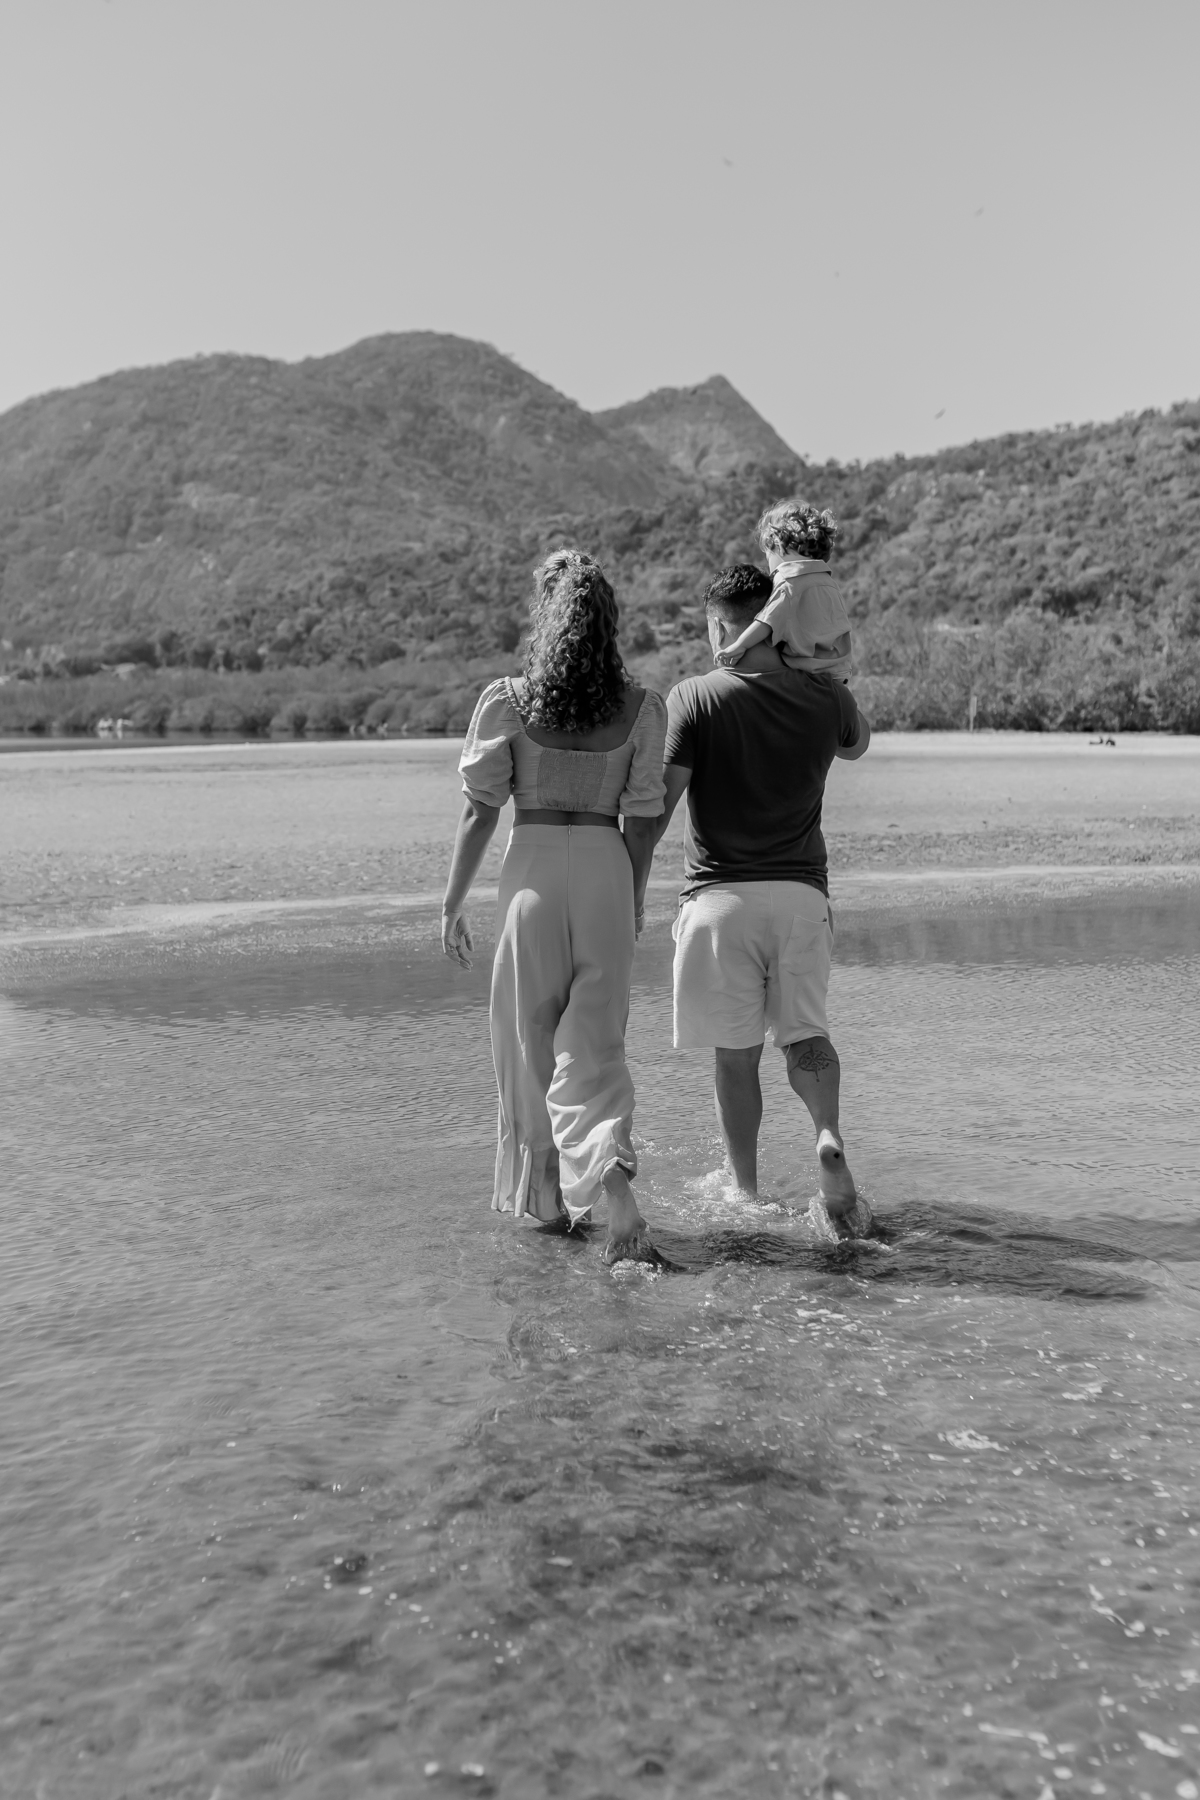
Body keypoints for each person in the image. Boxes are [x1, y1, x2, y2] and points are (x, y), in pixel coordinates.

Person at [441, 549, 667, 1263]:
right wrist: (631, 899)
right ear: (608, 623)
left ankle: (545, 1201)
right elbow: (642, 821)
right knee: (595, 1047)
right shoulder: (639, 706)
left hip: (533, 874)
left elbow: (480, 812)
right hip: (603, 870)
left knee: (527, 1041)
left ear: (548, 617)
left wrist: (450, 905)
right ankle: (614, 1187)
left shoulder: (510, 699)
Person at [655, 563, 871, 1221]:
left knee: (736, 1054)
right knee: (807, 1033)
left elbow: (659, 805)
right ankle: (826, 1135)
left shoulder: (695, 696)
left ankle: (743, 1190)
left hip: (720, 902)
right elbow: (858, 744)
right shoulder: (824, 696)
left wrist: (629, 880)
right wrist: (818, 661)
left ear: (720, 623)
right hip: (802, 898)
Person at [714, 501, 853, 681]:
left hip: (808, 676)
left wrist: (739, 646)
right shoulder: (828, 582)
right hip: (839, 674)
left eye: (768, 555)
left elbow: (767, 621)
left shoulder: (788, 582)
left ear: (778, 544)